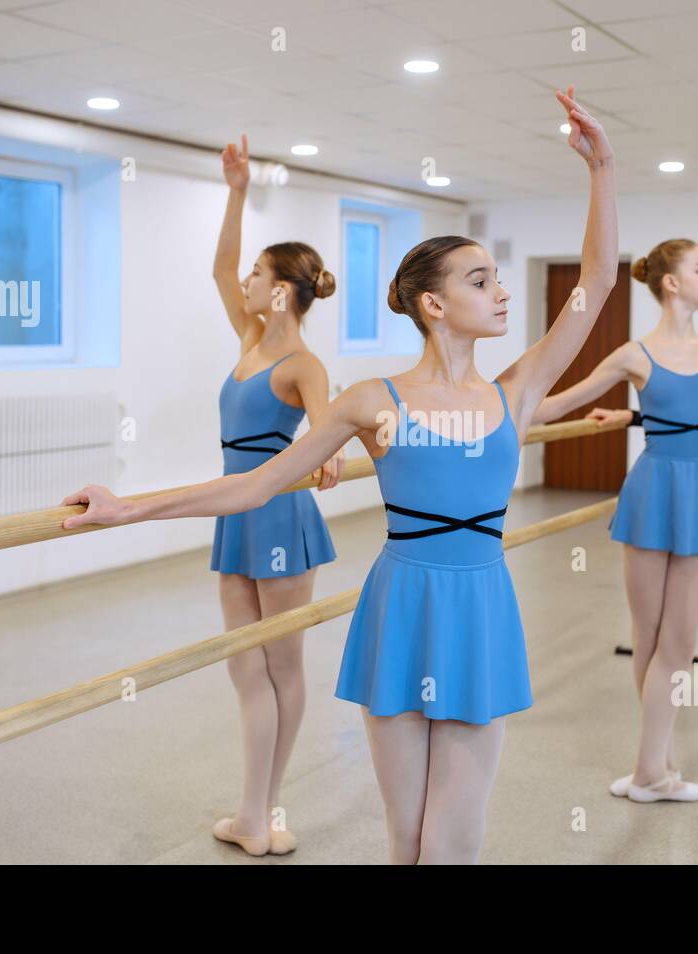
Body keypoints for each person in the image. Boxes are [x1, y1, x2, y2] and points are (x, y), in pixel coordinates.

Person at [60, 87, 618, 863]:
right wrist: (128, 510)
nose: (500, 293)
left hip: (480, 606)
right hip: (400, 606)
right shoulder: (371, 401)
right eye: (481, 280)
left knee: (455, 840)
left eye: (497, 278)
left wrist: (602, 168)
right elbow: (256, 484)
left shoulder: (514, 393)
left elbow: (596, 286)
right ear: (433, 303)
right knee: (406, 839)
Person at [530, 147, 698, 802]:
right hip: (652, 490)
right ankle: (652, 770)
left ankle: (652, 765)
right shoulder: (634, 353)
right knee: (650, 636)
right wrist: (490, 414)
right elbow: (558, 401)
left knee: (680, 639)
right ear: (670, 282)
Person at [199, 134, 343, 856]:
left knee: (280, 666)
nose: (247, 282)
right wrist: (236, 191)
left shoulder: (302, 362)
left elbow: (326, 428)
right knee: (242, 664)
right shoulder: (249, 337)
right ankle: (255, 812)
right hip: (236, 511)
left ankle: (262, 809)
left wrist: (330, 459)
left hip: (280, 513)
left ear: (282, 289)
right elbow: (221, 267)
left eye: (261, 275)